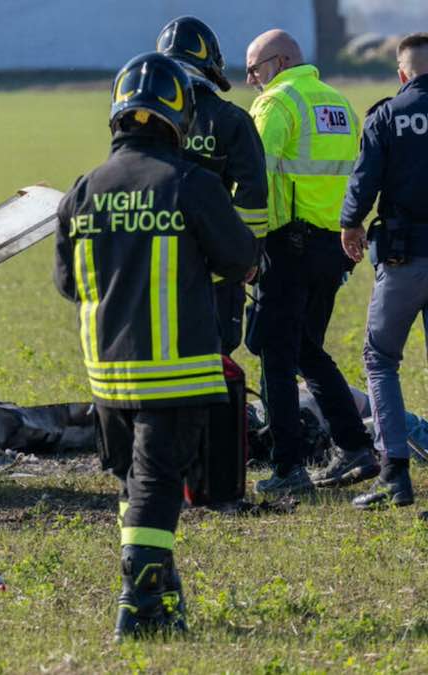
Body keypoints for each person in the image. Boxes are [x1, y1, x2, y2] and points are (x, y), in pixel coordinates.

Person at [54, 53, 255, 639]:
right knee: (159, 484)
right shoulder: (190, 183)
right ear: (177, 116)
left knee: (135, 483)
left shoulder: (84, 190)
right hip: (177, 371)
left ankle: (164, 598)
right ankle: (136, 606)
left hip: (108, 375)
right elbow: (241, 256)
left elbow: (68, 283)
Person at [244, 29, 378, 495]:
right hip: (334, 248)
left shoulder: (277, 103)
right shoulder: (338, 103)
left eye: (254, 69)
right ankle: (356, 446)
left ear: (278, 64)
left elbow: (254, 177)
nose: (251, 80)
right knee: (305, 349)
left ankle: (289, 469)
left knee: (275, 355)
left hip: (287, 244)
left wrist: (246, 244)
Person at [340, 33, 428, 509]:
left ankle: (395, 472)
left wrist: (349, 226)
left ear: (401, 74)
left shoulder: (387, 116)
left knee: (380, 360)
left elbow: (363, 181)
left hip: (403, 259)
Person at [157, 16, 268, 352]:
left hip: (154, 258)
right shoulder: (230, 118)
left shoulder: (145, 119)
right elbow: (253, 194)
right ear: (210, 64)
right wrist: (249, 255)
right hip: (215, 264)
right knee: (217, 347)